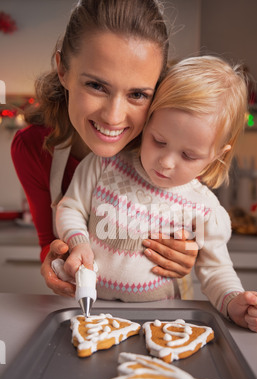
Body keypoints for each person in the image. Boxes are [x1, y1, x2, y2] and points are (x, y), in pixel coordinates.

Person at [56, 56, 257, 332]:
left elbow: (216, 271)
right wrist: (78, 242)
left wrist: (233, 302)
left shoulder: (205, 209)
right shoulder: (104, 164)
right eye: (158, 141)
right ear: (148, 121)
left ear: (217, 154)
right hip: (90, 310)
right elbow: (70, 207)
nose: (166, 162)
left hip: (162, 320)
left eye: (188, 155)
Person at [11, 0, 198, 298]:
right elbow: (50, 239)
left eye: (137, 94)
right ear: (63, 70)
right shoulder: (33, 148)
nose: (113, 117)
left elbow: (196, 215)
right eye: (96, 86)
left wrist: (188, 249)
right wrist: (55, 258)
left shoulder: (166, 148)